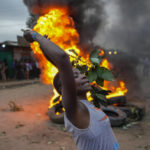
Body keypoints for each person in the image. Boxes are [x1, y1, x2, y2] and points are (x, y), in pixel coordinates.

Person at [23, 30, 120, 150]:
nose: (84, 76)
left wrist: (43, 46)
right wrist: (35, 36)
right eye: (75, 76)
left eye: (80, 74)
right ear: (63, 88)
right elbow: (63, 60)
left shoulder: (86, 104)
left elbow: (60, 65)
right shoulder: (75, 109)